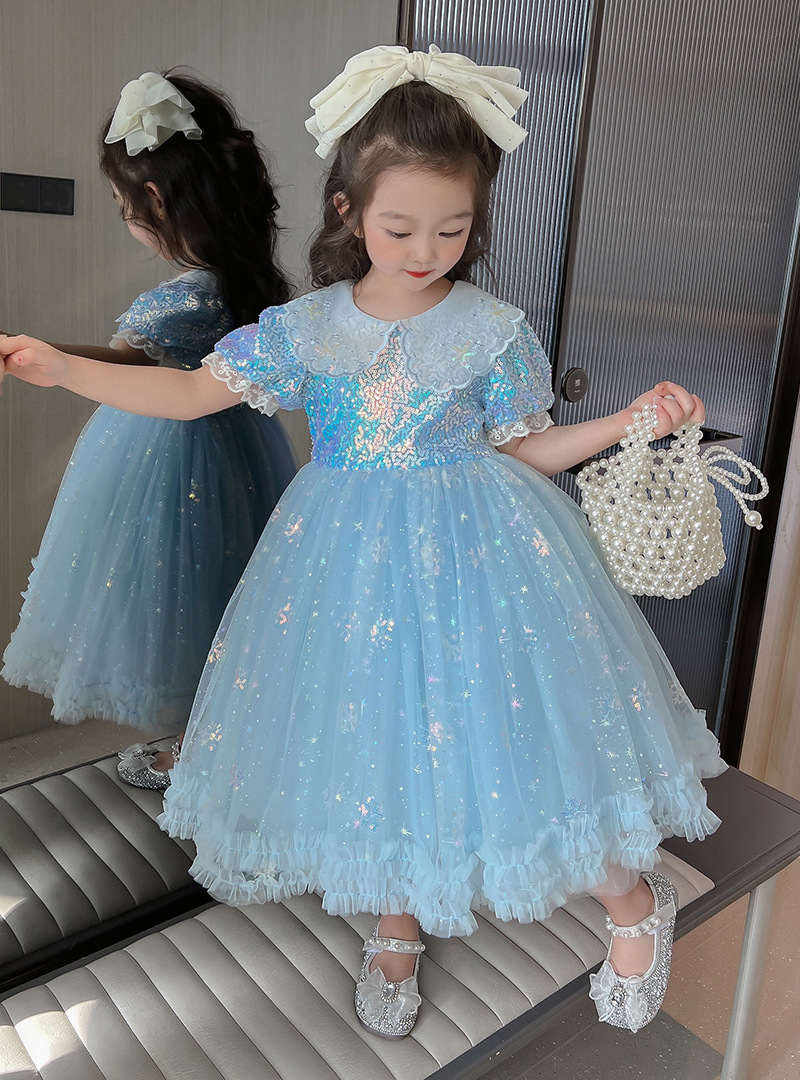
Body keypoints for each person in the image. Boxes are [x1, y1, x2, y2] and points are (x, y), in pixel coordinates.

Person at [1, 45, 726, 1037]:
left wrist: (624, 421)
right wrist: (62, 368)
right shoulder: (305, 329)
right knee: (374, 738)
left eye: (452, 229)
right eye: (400, 227)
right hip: (343, 564)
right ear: (347, 211)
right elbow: (189, 393)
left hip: (484, 557)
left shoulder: (493, 328)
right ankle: (396, 920)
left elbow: (525, 448)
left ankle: (632, 897)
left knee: (518, 730)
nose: (426, 250)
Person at [1, 71, 297, 788]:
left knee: (179, 608)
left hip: (172, 455)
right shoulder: (248, 277)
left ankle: (197, 758)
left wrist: (40, 353)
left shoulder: (187, 294)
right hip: (240, 451)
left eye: (122, 207)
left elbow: (129, 363)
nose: (126, 220)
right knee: (223, 604)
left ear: (156, 200)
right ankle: (218, 749)